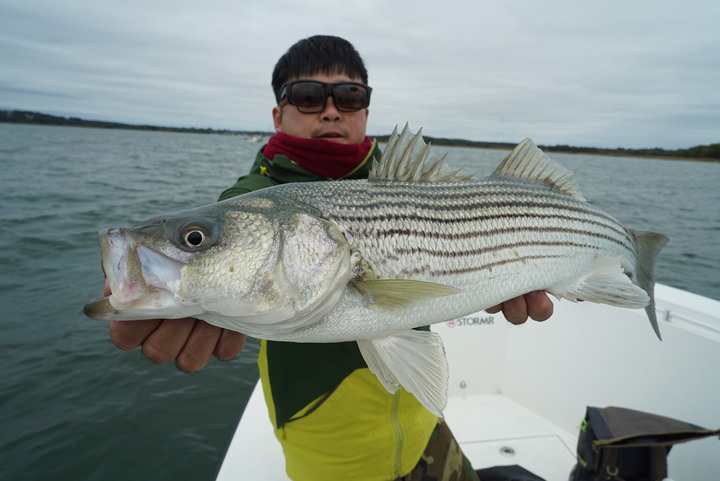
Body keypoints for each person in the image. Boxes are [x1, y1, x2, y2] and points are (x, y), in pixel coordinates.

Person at [108, 35, 554, 481]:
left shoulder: (409, 185)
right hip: (326, 441)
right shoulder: (248, 200)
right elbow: (222, 235)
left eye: (349, 96)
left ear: (365, 110)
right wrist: (156, 276)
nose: (330, 109)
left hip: (424, 423)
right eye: (306, 96)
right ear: (277, 114)